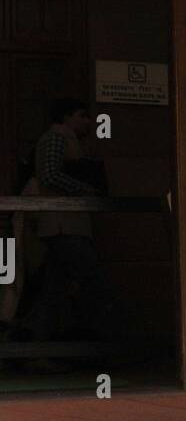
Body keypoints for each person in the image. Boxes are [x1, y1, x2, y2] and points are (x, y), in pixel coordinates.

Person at [11, 98, 118, 367]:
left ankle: (28, 348)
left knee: (52, 292)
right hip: (63, 224)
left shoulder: (64, 139)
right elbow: (48, 175)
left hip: (64, 224)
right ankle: (108, 348)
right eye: (82, 115)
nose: (87, 121)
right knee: (94, 283)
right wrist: (86, 190)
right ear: (66, 117)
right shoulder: (58, 137)